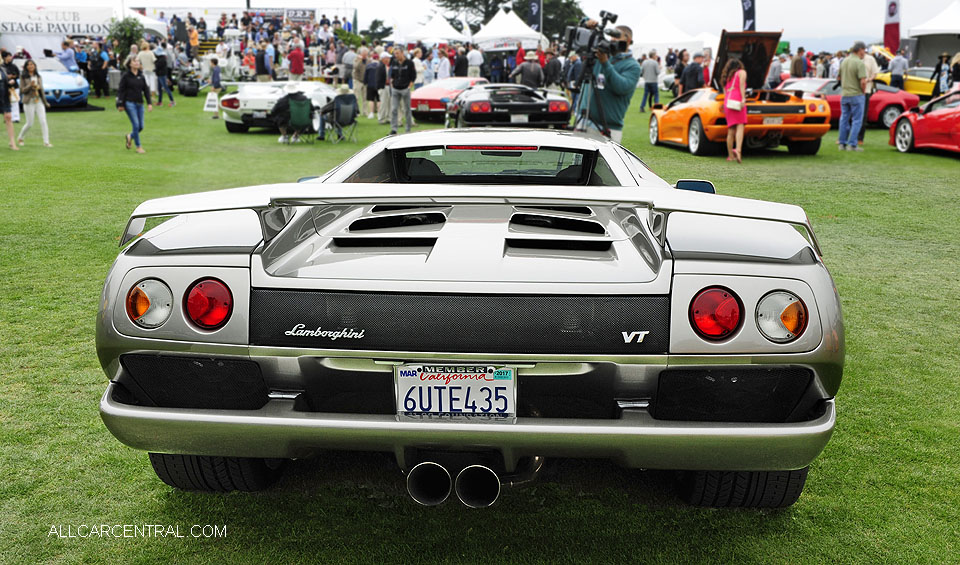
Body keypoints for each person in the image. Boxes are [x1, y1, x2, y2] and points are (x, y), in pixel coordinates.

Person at [574, 21, 640, 143]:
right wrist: (586, 23)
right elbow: (579, 40)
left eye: (617, 36)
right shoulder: (599, 55)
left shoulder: (633, 66)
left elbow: (621, 87)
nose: (613, 40)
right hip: (584, 122)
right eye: (612, 36)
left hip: (608, 128)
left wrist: (605, 63)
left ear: (628, 40)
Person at [116, 57, 153, 154]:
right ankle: (138, 146)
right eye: (134, 61)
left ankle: (130, 136)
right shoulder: (126, 76)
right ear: (129, 64)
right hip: (129, 103)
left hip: (140, 103)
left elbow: (146, 90)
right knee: (136, 125)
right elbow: (121, 90)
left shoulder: (141, 76)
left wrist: (149, 103)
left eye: (138, 61)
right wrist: (120, 104)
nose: (137, 63)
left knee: (141, 126)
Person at [837, 41, 867, 151]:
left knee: (844, 119)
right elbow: (863, 81)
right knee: (857, 120)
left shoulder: (844, 61)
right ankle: (852, 144)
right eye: (864, 50)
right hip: (856, 94)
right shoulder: (859, 63)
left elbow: (838, 78)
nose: (864, 53)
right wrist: (863, 92)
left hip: (844, 94)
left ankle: (842, 143)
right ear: (860, 50)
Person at [16, 59, 51, 147]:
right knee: (29, 123)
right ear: (26, 67)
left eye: (32, 64)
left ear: (35, 66)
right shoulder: (23, 76)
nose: (31, 66)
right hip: (29, 101)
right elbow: (22, 90)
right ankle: (20, 137)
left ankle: (46, 142)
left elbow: (42, 90)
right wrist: (30, 85)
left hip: (38, 101)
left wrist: (45, 102)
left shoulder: (38, 76)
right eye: (29, 65)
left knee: (43, 121)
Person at [721, 59, 747, 163]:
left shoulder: (725, 77)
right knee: (740, 126)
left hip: (728, 102)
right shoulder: (742, 72)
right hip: (737, 100)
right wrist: (743, 99)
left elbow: (725, 92)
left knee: (730, 130)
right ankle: (738, 150)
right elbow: (741, 87)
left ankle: (730, 156)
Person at [389, 49, 416, 135]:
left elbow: (413, 76)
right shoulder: (394, 62)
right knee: (394, 109)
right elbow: (392, 75)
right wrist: (392, 83)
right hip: (396, 88)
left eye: (397, 53)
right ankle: (394, 129)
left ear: (402, 53)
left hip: (405, 88)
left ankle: (408, 129)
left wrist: (409, 86)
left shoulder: (409, 63)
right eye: (394, 54)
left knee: (407, 109)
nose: (396, 55)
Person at [857, 48, 878, 145]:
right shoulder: (853, 59)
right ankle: (847, 137)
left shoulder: (870, 59)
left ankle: (860, 138)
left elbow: (875, 73)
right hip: (855, 90)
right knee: (851, 114)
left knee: (863, 115)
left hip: (866, 90)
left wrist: (869, 79)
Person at [1, 62, 18, 150]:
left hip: (4, 97)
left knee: (8, 117)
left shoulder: (3, 70)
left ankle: (12, 142)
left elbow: (5, 83)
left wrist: (10, 82)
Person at [1, 50, 19, 124]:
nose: (10, 58)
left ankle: (16, 118)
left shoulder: (14, 66)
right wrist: (7, 77)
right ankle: (7, 117)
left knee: (15, 102)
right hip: (5, 87)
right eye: (8, 56)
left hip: (14, 86)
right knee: (6, 102)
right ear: (4, 58)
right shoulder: (2, 67)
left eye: (10, 56)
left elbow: (18, 75)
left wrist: (14, 76)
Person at [364, 53, 384, 119]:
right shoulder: (381, 65)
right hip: (379, 84)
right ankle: (379, 113)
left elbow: (365, 76)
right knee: (379, 100)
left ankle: (371, 113)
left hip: (370, 84)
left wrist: (365, 82)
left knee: (371, 100)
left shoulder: (368, 66)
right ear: (378, 58)